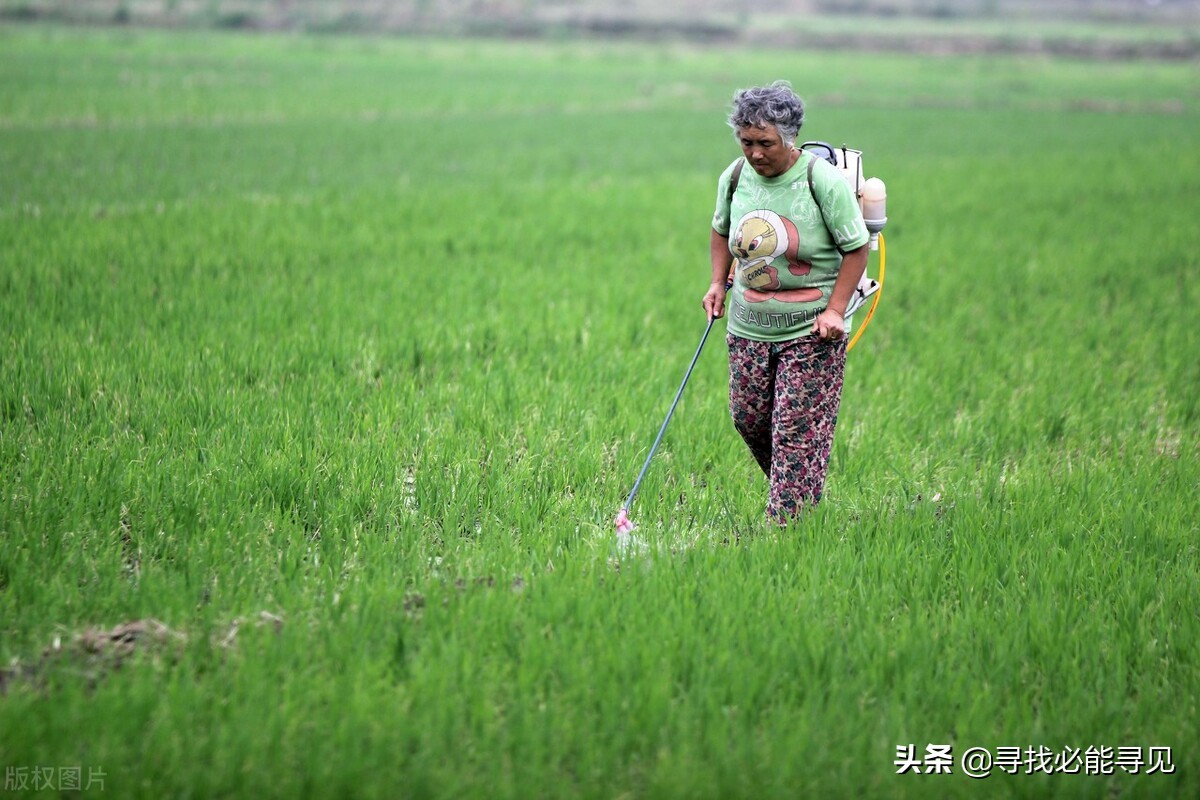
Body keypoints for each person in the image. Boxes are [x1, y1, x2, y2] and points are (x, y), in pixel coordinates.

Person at [702, 80, 870, 525]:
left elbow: (856, 247)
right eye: (746, 142)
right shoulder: (735, 177)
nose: (755, 153)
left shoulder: (821, 181)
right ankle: (800, 496)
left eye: (765, 143)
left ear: (789, 137)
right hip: (748, 326)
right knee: (749, 418)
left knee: (795, 430)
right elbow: (721, 230)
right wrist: (718, 283)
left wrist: (836, 310)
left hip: (811, 330)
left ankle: (788, 528)